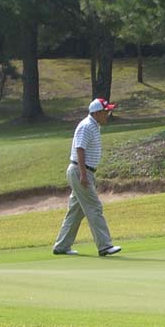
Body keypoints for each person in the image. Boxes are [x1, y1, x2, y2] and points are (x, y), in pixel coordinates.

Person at [53, 98, 122, 257]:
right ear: (97, 113)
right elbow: (80, 149)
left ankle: (62, 245)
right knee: (94, 207)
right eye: (106, 112)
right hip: (80, 171)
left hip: (83, 171)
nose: (108, 115)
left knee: (76, 211)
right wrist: (84, 174)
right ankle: (105, 246)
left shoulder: (94, 125)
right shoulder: (86, 126)